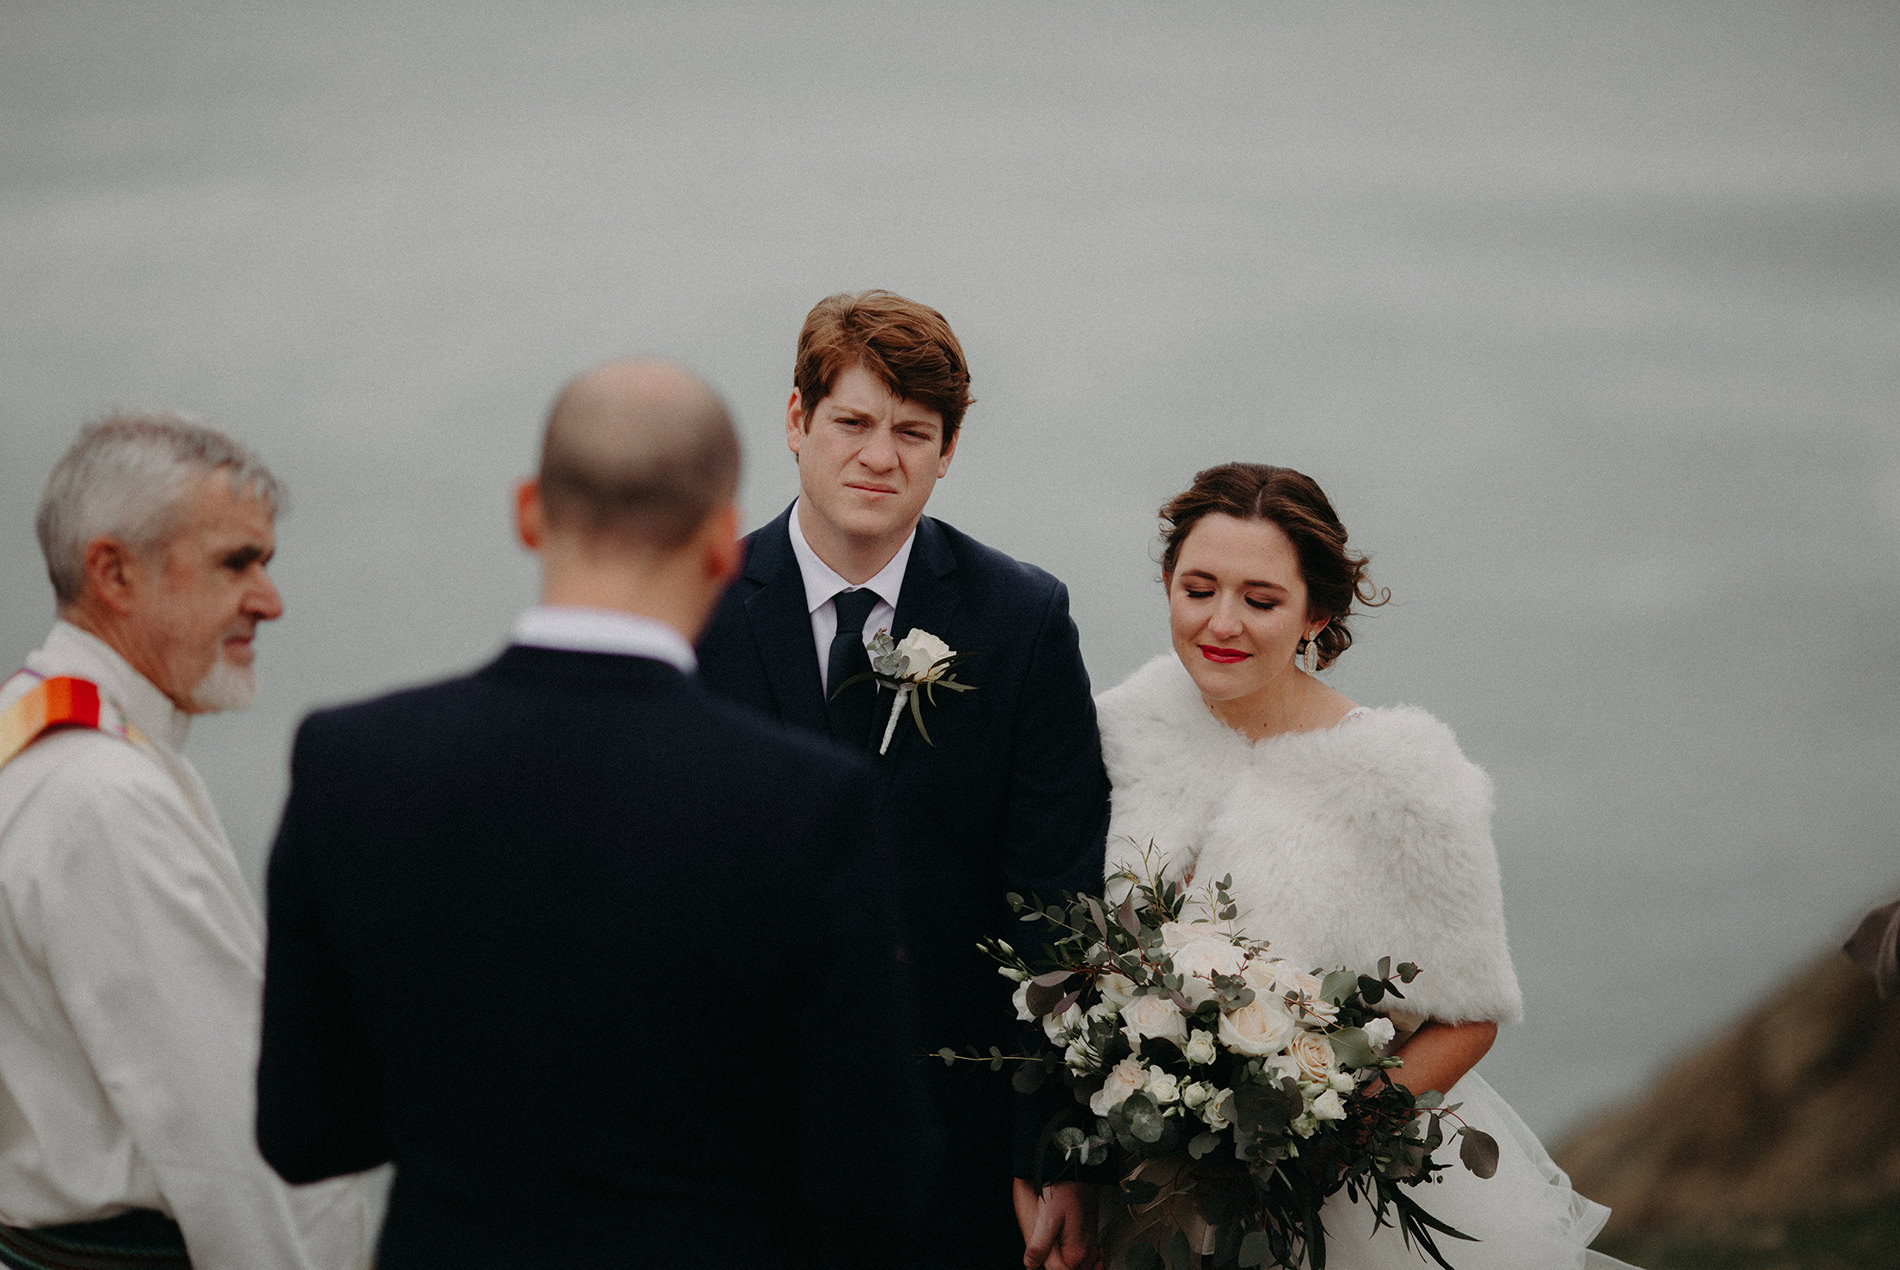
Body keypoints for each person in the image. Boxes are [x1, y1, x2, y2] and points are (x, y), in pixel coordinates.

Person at [255, 360, 914, 1268]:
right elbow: (873, 1179)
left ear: (529, 512)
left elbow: (305, 1132)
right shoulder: (805, 804)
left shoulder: (351, 762)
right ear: (723, 542)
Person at [1094, 463, 1635, 1268]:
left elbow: (1471, 1014)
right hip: (1129, 1183)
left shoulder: (1403, 777)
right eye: (1198, 588)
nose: (1223, 622)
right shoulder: (1121, 727)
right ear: (1168, 583)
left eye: (1262, 600)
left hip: (1331, 1206)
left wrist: (1319, 1147)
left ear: (1318, 612)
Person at [696, 291, 1110, 1269]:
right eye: (852, 422)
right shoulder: (696, 606)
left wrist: (1055, 1146)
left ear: (947, 449)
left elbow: (1055, 897)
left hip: (953, 1142)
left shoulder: (1020, 618)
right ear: (796, 421)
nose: (879, 457)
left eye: (912, 432)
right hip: (729, 1131)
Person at [0, 415, 379, 1269]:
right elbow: (236, 1144)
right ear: (113, 572)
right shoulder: (106, 798)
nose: (269, 601)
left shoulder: (27, 738)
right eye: (236, 563)